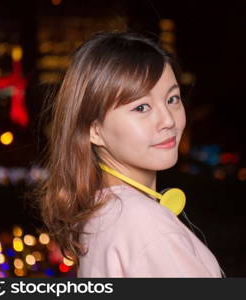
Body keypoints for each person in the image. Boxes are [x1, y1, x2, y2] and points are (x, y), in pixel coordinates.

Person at [34, 31, 224, 277]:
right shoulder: (144, 223)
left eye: (172, 98)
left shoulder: (103, 211)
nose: (168, 120)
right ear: (94, 130)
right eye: (141, 107)